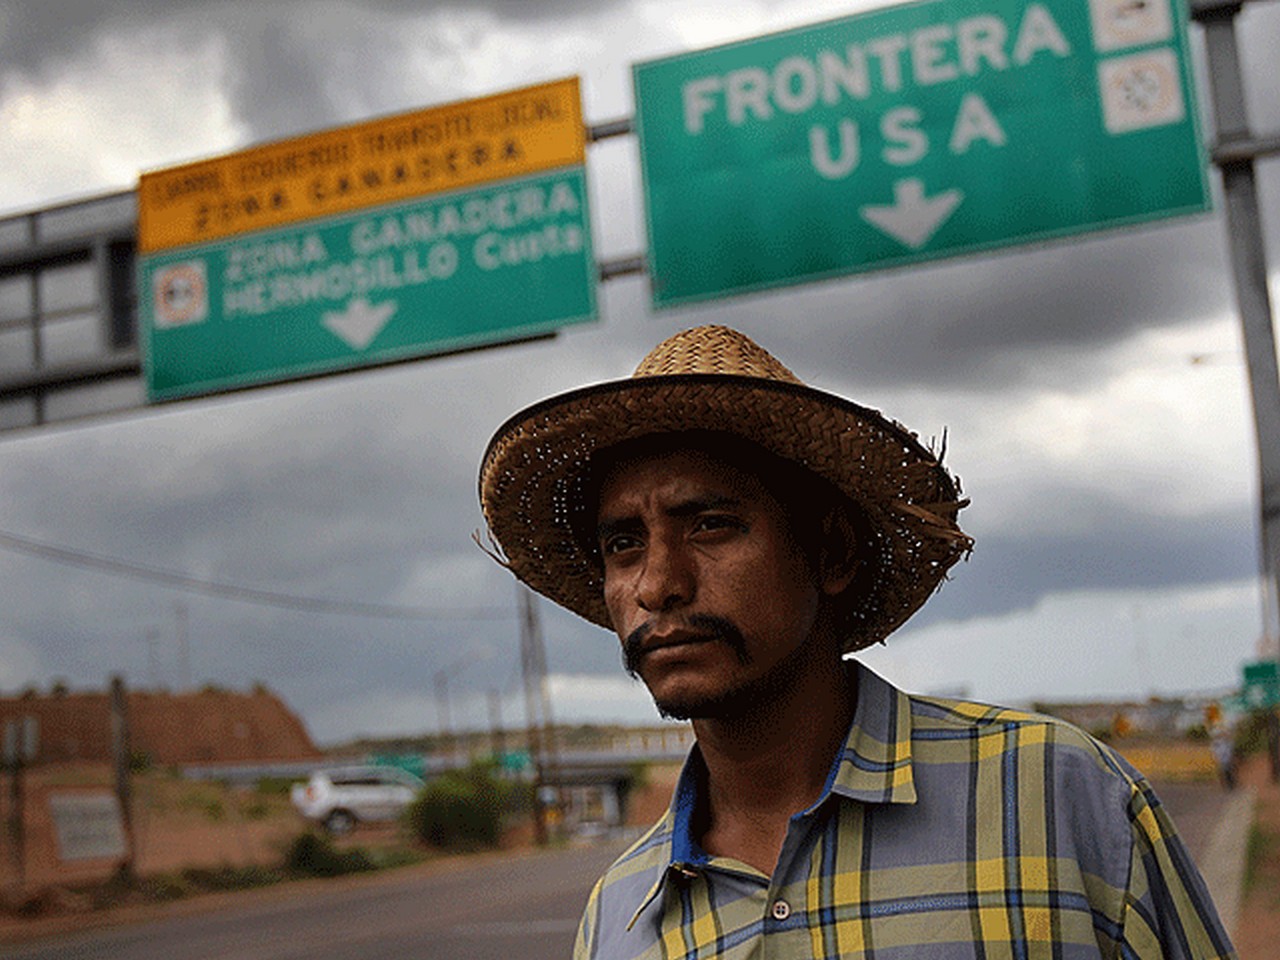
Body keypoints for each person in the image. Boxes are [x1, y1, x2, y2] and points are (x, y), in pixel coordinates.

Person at [478, 325, 1236, 960]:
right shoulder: (619, 921)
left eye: (711, 524)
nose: (658, 584)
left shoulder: (1057, 797)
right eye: (623, 544)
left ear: (832, 552)